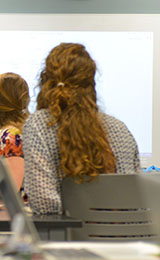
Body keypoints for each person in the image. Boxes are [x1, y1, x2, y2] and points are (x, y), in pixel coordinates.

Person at [23, 43, 140, 215]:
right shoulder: (120, 129)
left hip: (69, 239)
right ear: (91, 83)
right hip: (126, 239)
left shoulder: (40, 125)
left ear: (45, 81)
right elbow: (136, 201)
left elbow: (45, 205)